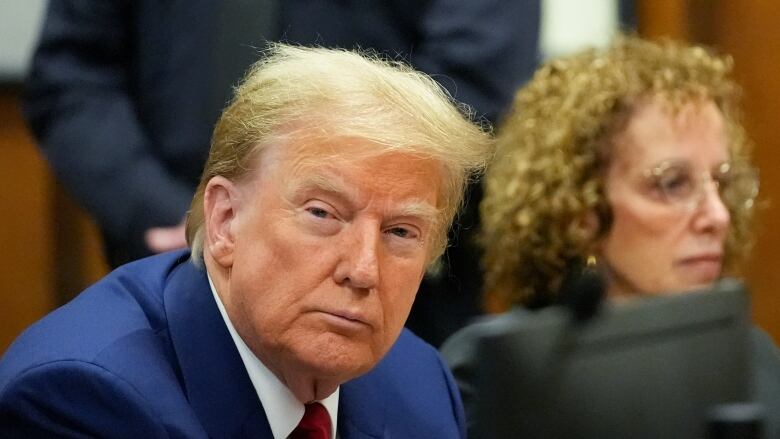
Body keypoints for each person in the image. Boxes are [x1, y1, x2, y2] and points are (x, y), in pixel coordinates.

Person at [0, 44, 493, 437]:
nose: (363, 269)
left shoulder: (421, 383)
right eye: (322, 214)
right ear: (225, 220)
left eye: (401, 232)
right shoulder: (86, 400)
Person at [23, 0, 541, 347]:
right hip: (168, 273)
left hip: (391, 308)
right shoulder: (81, 391)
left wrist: (332, 213)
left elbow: (469, 82)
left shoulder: (422, 389)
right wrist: (172, 215)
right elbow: (74, 75)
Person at [440, 36, 780, 437]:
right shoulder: (492, 371)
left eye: (721, 182)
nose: (718, 216)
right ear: (581, 211)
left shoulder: (753, 356)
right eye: (672, 184)